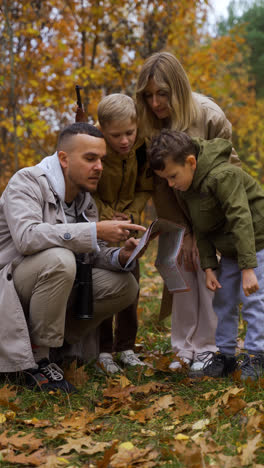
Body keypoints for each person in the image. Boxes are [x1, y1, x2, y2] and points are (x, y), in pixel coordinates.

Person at [0, 122, 146, 393]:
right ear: (64, 159)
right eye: (90, 158)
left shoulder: (83, 199)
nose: (99, 167)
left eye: (102, 159)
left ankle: (57, 350)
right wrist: (93, 229)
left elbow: (91, 251)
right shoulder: (27, 181)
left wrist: (122, 256)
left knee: (125, 286)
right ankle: (36, 362)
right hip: (8, 288)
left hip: (48, 287)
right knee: (60, 260)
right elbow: (27, 237)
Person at [136, 51, 240, 374]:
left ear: (178, 88)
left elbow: (228, 173)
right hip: (176, 215)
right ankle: (183, 347)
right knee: (180, 264)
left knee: (207, 270)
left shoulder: (208, 116)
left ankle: (210, 346)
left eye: (162, 94)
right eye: (148, 95)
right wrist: (183, 232)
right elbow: (159, 186)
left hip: (213, 213)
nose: (155, 103)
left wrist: (203, 232)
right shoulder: (147, 123)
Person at [148, 129, 264, 381]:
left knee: (254, 300)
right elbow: (201, 226)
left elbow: (241, 220)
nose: (170, 184)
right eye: (165, 179)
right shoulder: (187, 185)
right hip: (233, 250)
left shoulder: (224, 176)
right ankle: (226, 355)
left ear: (190, 162)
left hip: (256, 244)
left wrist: (248, 268)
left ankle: (257, 355)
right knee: (223, 299)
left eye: (172, 176)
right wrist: (209, 267)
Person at [93, 93, 152, 373]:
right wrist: (107, 217)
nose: (124, 140)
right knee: (105, 286)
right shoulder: (96, 152)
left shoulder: (142, 149)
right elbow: (86, 191)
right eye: (116, 135)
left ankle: (125, 347)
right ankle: (103, 350)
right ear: (102, 130)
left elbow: (144, 188)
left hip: (129, 227)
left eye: (130, 132)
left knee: (132, 286)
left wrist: (130, 215)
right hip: (100, 229)